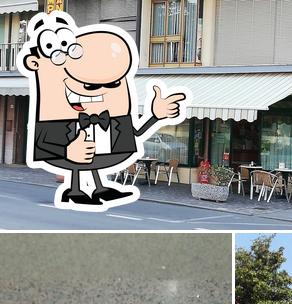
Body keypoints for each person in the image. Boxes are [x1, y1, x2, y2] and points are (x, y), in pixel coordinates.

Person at [18, 11, 187, 210]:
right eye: (89, 86)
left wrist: (155, 116)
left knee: (91, 159)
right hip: (70, 152)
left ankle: (99, 188)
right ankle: (75, 190)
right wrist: (66, 150)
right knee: (79, 158)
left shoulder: (115, 119)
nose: (98, 89)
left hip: (106, 153)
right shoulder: (55, 120)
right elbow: (43, 143)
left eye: (115, 83)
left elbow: (136, 133)